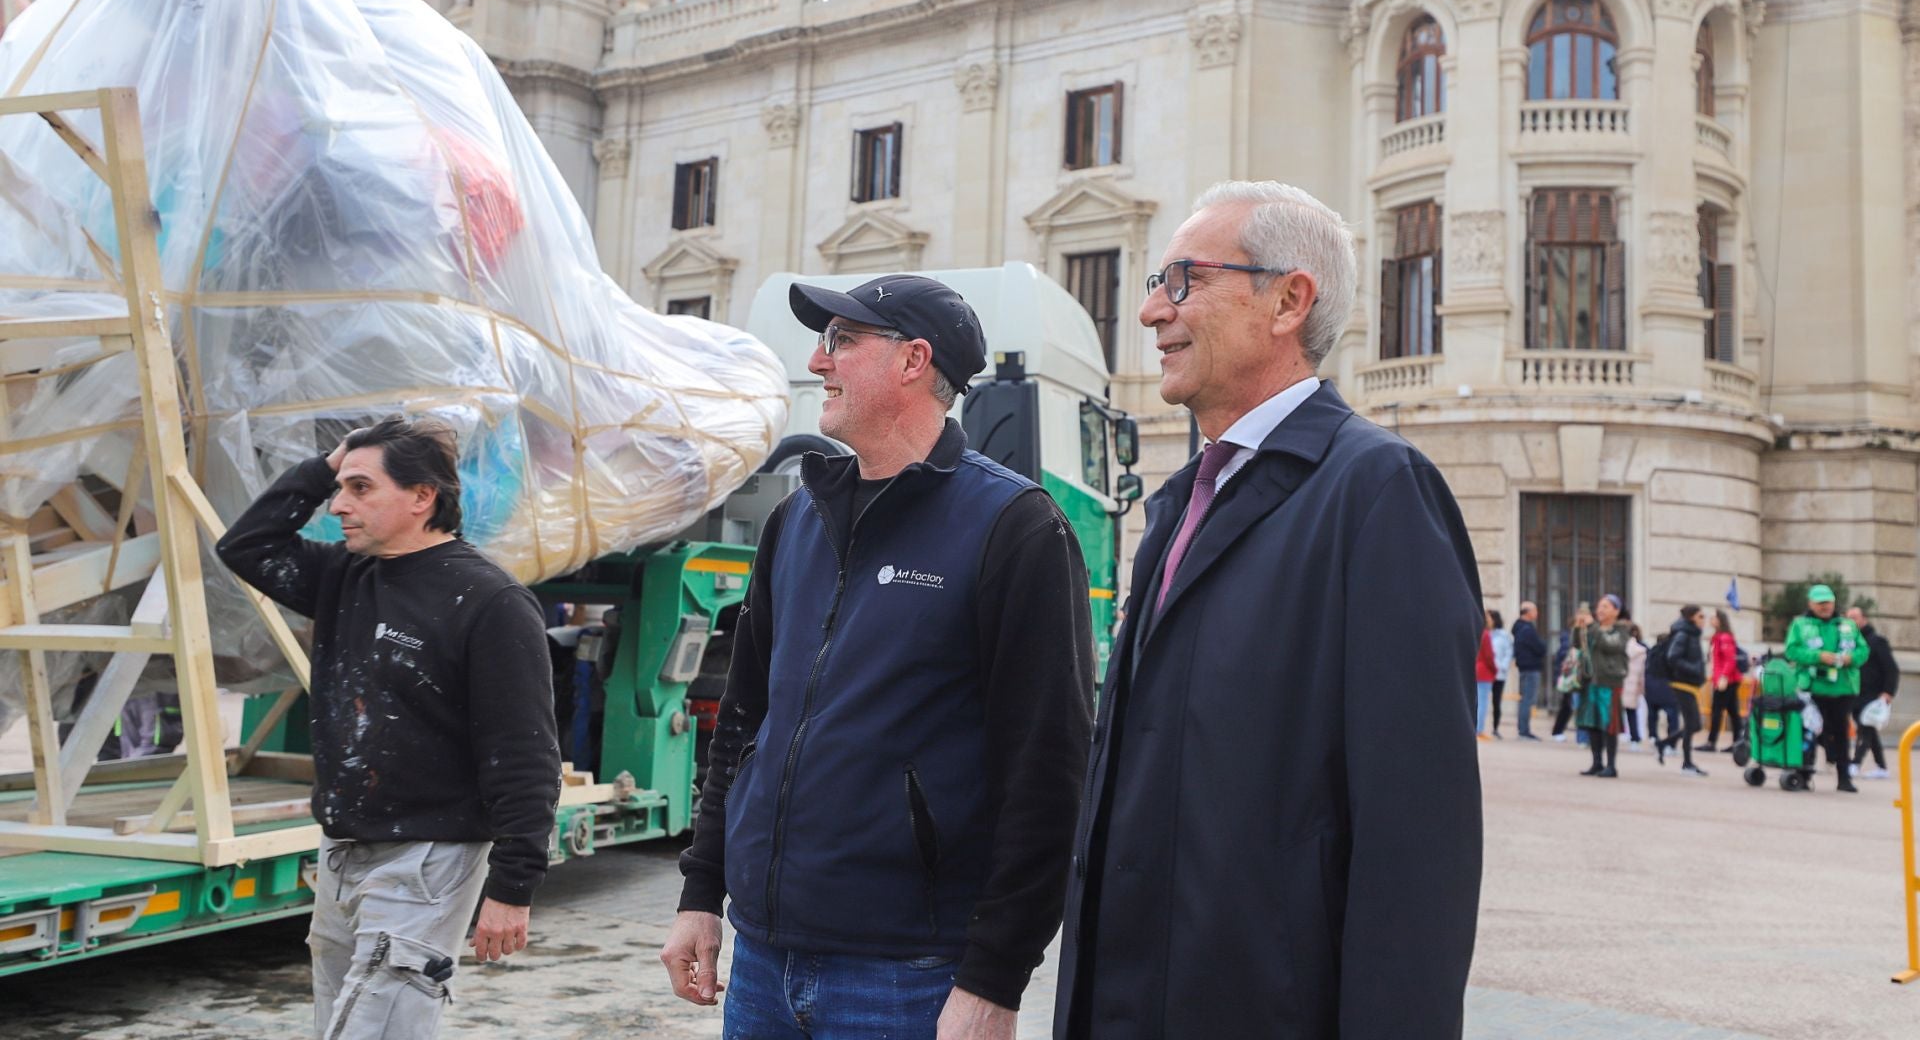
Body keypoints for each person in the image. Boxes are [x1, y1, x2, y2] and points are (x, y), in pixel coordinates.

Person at [1057, 181, 1483, 1039]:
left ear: (1289, 300)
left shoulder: (1378, 492)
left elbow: (1417, 845)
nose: (1148, 312)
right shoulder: (1181, 502)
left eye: (1183, 281)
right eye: (1153, 282)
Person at [662, 274, 1094, 1040]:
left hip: (906, 978)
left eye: (841, 340)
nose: (817, 362)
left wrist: (993, 981)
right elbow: (743, 722)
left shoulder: (1016, 528)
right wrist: (702, 889)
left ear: (912, 361)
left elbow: (1048, 774)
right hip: (763, 961)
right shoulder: (795, 520)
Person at [215, 415, 560, 1039]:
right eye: (339, 487)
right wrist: (325, 466)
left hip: (429, 857)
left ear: (423, 497)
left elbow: (523, 752)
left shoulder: (489, 601)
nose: (340, 505)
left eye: (360, 488)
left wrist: (514, 884)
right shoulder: (345, 576)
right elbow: (246, 545)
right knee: (345, 1026)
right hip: (344, 849)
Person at [1785, 586, 1868, 792]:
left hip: (1843, 687)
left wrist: (1851, 658)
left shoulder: (1847, 625)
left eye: (1828, 602)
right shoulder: (1800, 625)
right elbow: (1791, 650)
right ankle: (1804, 775)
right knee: (1811, 731)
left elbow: (1863, 650)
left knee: (1841, 732)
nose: (1825, 607)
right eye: (1820, 603)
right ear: (1811, 604)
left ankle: (1844, 778)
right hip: (1812, 688)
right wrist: (1818, 656)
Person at [1653, 605, 1710, 777]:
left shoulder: (1691, 634)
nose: (1704, 620)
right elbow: (1672, 657)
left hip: (1689, 684)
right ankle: (1687, 763)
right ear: (1692, 617)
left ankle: (1664, 744)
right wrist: (1693, 668)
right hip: (1682, 684)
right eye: (1701, 616)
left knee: (1695, 724)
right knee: (1693, 724)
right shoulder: (1684, 634)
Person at [1577, 596, 1631, 778]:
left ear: (1616, 610)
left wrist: (1593, 628)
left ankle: (1611, 765)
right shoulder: (1592, 628)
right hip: (1591, 681)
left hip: (1610, 682)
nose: (1600, 610)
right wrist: (1579, 628)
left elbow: (1611, 645)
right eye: (1599, 606)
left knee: (1610, 725)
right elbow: (1577, 645)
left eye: (1606, 607)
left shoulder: (1622, 629)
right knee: (1592, 723)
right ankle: (1596, 762)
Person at [1850, 606, 1900, 780]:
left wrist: (1888, 692)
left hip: (1873, 695)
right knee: (1869, 731)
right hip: (1856, 693)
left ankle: (1855, 763)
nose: (1852, 622)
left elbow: (1891, 668)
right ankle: (1882, 767)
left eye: (1855, 618)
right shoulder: (1851, 643)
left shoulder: (1877, 641)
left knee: (1866, 729)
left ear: (1864, 619)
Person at [1703, 609, 1745, 753]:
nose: (1710, 620)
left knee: (1717, 710)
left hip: (1726, 680)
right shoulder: (1718, 637)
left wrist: (1723, 677)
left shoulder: (1724, 638)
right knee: (1733, 712)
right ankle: (1737, 743)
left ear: (1720, 620)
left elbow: (1729, 660)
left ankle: (1711, 742)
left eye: (1713, 618)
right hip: (1724, 679)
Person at [1552, 604, 1593, 744]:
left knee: (1574, 704)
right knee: (1572, 704)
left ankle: (1582, 735)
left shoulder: (1592, 632)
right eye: (1581, 614)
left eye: (1586, 615)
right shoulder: (1570, 633)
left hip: (1586, 674)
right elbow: (1565, 651)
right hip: (1573, 674)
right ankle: (1578, 736)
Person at [1512, 603, 1547, 740]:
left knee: (1525, 699)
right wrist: (1542, 645)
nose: (1537, 613)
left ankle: (1523, 729)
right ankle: (1524, 731)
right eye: (1535, 610)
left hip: (1525, 667)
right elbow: (1540, 648)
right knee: (1527, 700)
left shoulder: (1521, 628)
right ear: (1527, 612)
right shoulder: (1526, 629)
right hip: (1530, 668)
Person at [1621, 621, 1648, 748]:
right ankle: (1634, 738)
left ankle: (1615, 734)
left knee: (1614, 711)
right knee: (1632, 712)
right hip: (1634, 684)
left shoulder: (1619, 648)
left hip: (1620, 682)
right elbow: (1643, 672)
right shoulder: (1642, 650)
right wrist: (1642, 687)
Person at [1489, 611, 1514, 739]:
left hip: (1499, 673)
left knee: (1496, 701)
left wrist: (1503, 666)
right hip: (1486, 672)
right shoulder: (1484, 633)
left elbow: (1508, 652)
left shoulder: (1503, 635)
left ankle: (1495, 727)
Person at [1475, 613, 1498, 742]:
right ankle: (1479, 729)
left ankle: (1475, 727)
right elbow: (1489, 656)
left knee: (1475, 702)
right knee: (1482, 703)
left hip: (1474, 669)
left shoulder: (1475, 633)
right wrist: (1494, 670)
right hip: (1484, 672)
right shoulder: (1486, 635)